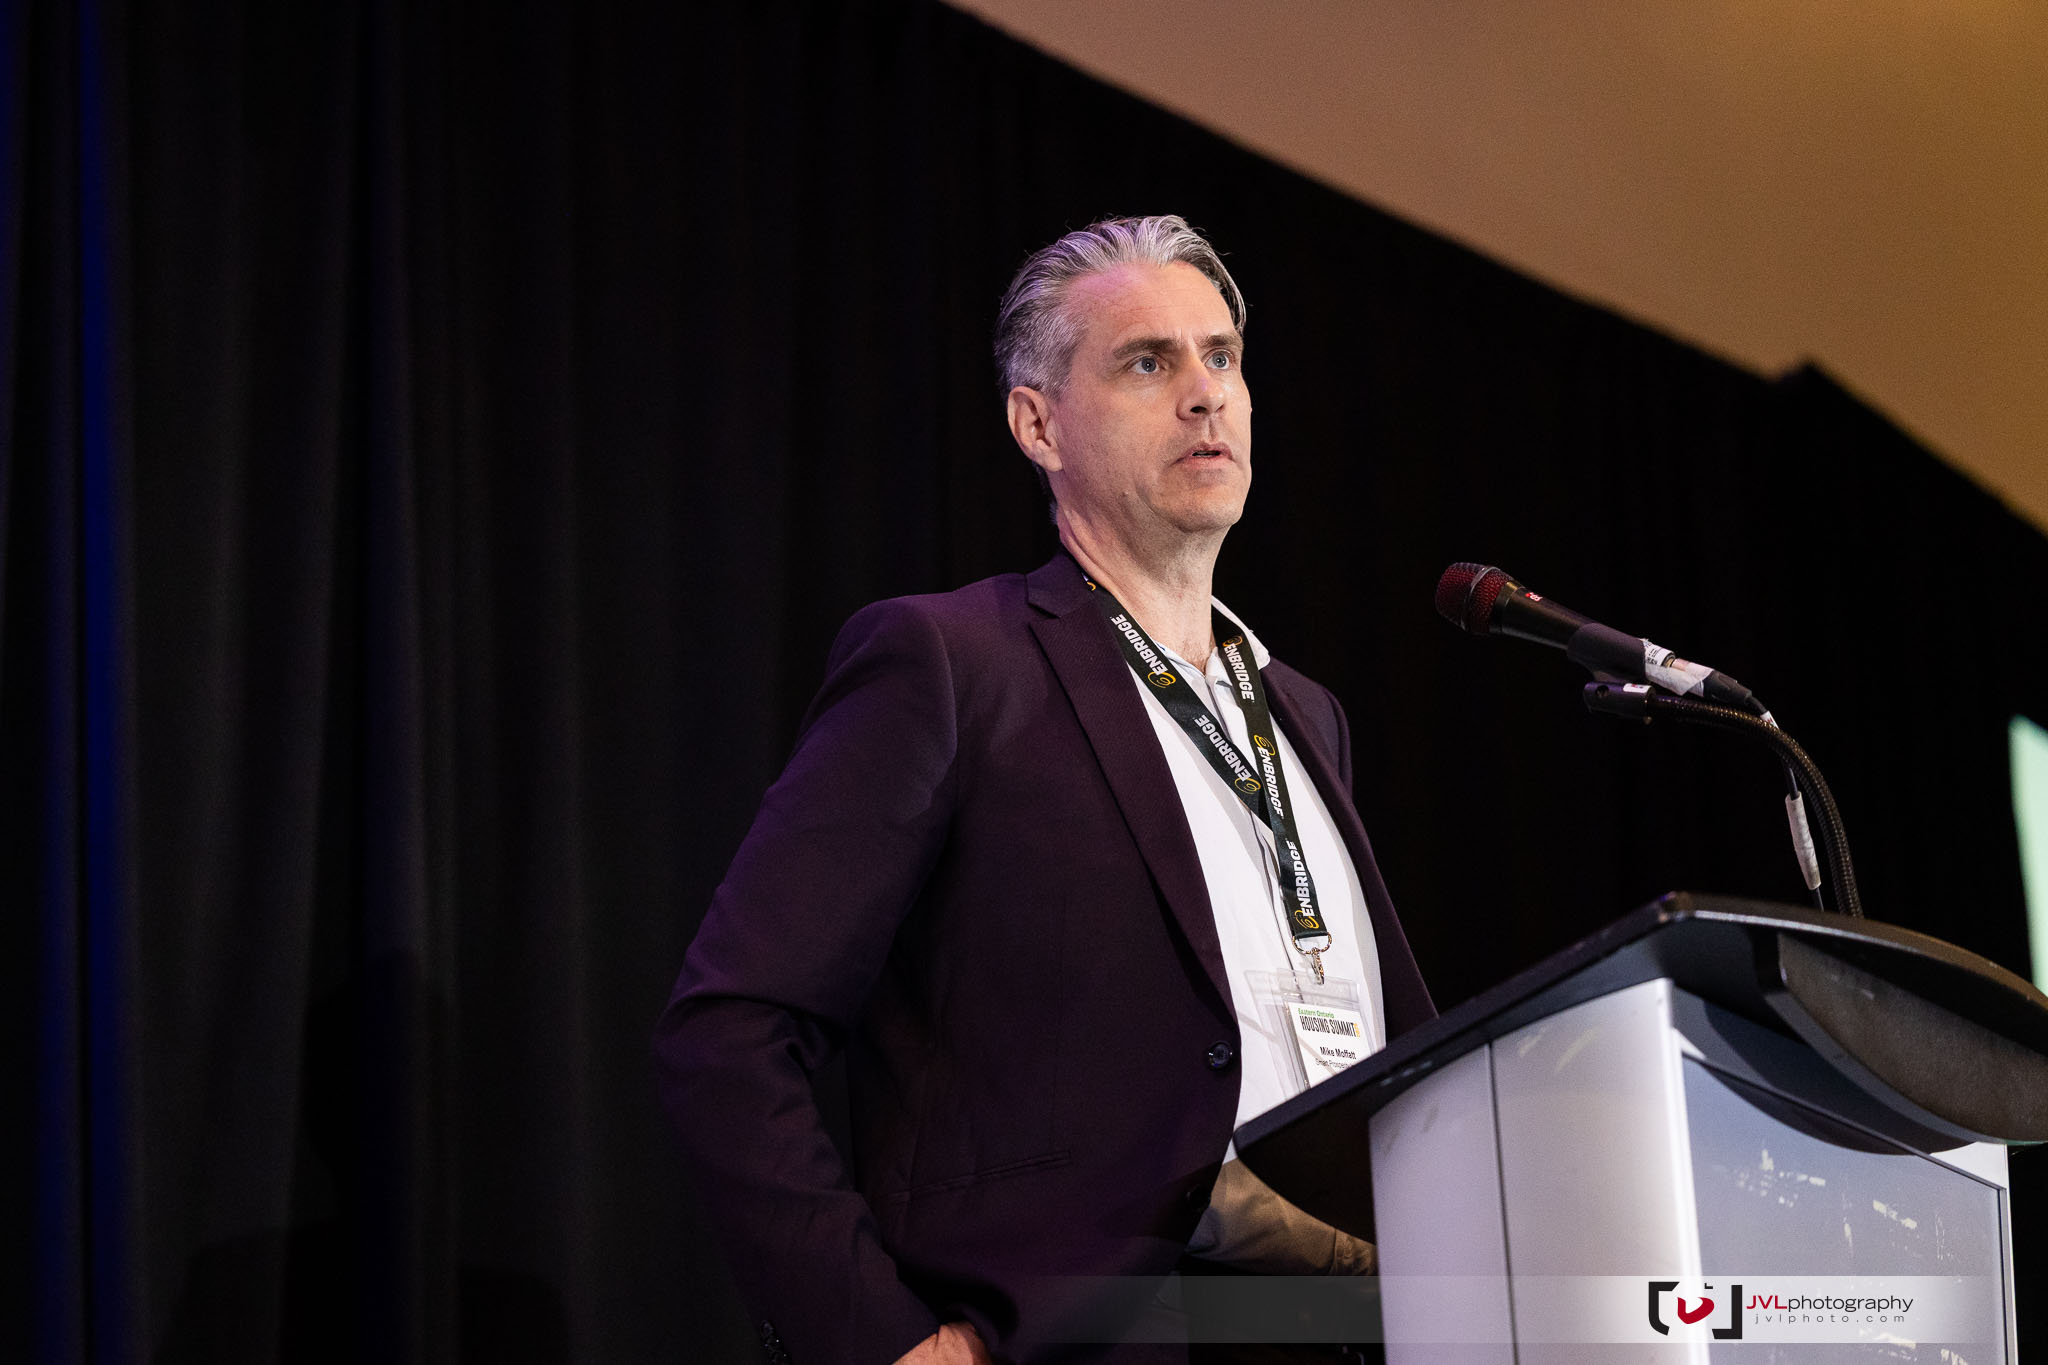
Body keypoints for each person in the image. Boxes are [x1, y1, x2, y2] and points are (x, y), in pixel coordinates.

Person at [654, 216, 1434, 1365]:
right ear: (1037, 424)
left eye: (1220, 356)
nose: (1204, 394)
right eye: (1146, 362)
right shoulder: (953, 663)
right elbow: (728, 1033)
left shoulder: (1305, 715)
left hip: (1362, 1320)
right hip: (1106, 1328)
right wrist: (884, 1342)